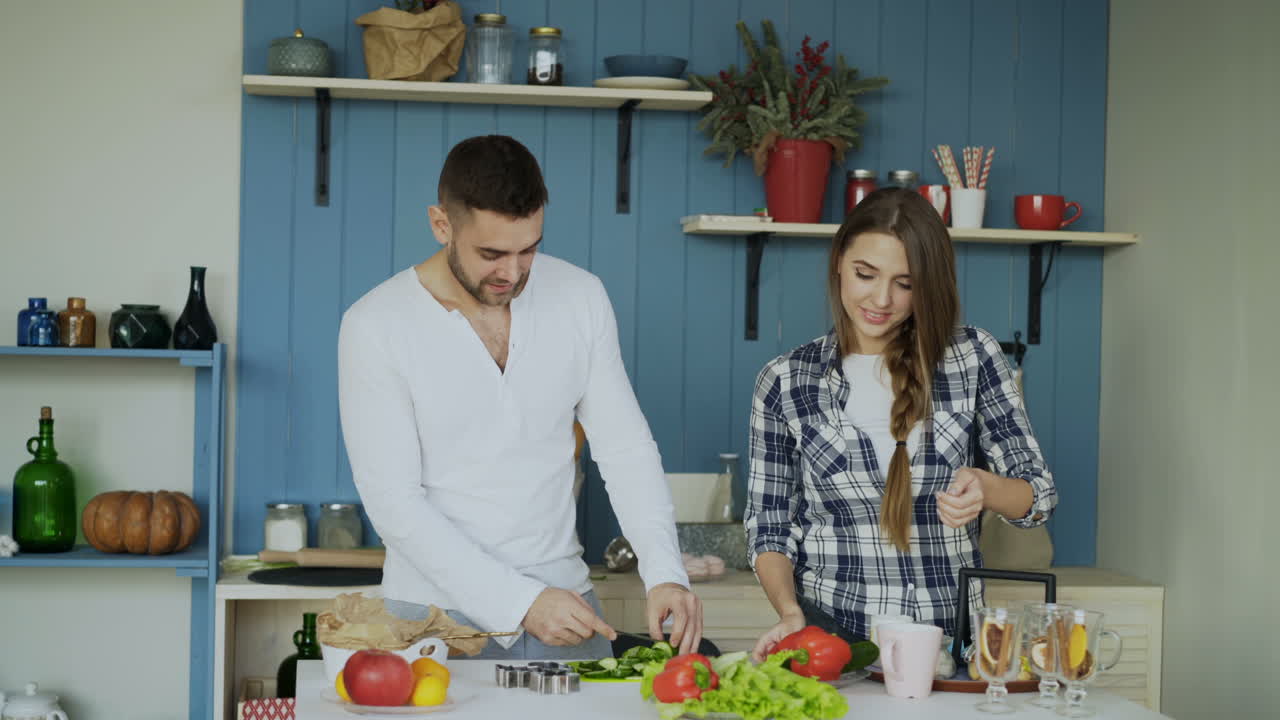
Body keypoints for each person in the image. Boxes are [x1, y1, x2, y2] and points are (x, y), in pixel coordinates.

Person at [338, 135, 702, 660]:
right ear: (442, 225)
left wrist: (665, 573)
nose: (512, 273)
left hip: (568, 608)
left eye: (528, 248)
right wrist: (521, 600)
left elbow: (625, 450)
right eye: (491, 253)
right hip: (432, 623)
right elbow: (395, 504)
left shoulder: (581, 296)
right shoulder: (375, 325)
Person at [745, 187, 1057, 660]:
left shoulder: (973, 357)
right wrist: (790, 613)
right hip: (832, 640)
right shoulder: (786, 379)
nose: (882, 299)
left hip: (953, 644)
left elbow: (1039, 496)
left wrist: (985, 487)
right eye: (865, 274)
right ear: (838, 262)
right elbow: (769, 525)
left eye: (905, 283)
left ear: (927, 285)